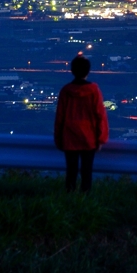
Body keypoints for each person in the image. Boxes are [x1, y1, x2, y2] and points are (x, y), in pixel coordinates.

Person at [54, 55, 109, 192]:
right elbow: (100, 115)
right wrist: (101, 139)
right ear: (88, 71)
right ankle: (86, 201)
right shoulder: (94, 90)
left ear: (72, 70)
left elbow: (60, 117)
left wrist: (58, 138)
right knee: (87, 172)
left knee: (71, 172)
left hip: (69, 136)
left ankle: (69, 200)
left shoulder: (66, 91)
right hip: (89, 136)